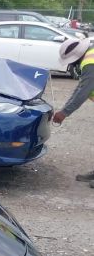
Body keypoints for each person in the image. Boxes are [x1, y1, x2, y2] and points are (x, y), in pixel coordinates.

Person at [52, 37, 94, 185]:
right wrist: (64, 109)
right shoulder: (89, 56)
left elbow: (83, 91)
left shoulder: (90, 62)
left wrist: (65, 113)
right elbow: (80, 87)